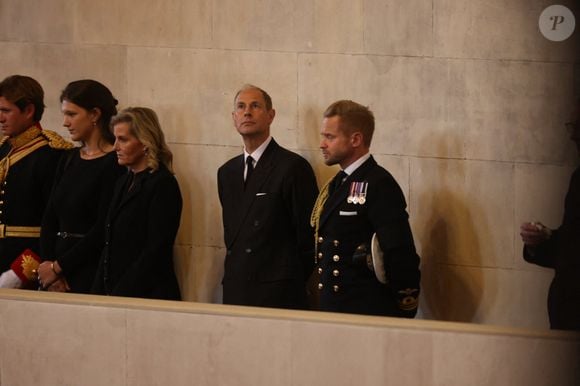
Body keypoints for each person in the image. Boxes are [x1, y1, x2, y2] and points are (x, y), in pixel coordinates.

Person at [311, 100, 421, 317]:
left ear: (356, 139)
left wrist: (404, 304)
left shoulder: (379, 183)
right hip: (335, 308)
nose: (322, 144)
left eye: (330, 137)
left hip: (365, 310)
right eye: (323, 136)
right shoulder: (338, 183)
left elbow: (398, 251)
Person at [217, 84, 318, 309]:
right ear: (234, 117)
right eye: (241, 107)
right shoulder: (226, 172)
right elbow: (232, 233)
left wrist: (286, 281)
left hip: (278, 293)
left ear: (271, 115)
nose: (247, 112)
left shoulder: (293, 167)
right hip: (236, 289)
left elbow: (308, 237)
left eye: (255, 106)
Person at [36, 80, 125, 293]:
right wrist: (49, 267)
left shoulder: (115, 163)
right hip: (54, 271)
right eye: (64, 114)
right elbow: (49, 217)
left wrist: (59, 267)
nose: (65, 122)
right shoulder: (68, 158)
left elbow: (103, 226)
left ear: (94, 114)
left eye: (72, 114)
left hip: (89, 268)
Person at [92, 107, 182, 300]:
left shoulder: (162, 184)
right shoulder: (122, 182)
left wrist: (120, 294)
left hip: (147, 296)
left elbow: (156, 250)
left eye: (123, 139)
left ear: (145, 143)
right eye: (115, 139)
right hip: (114, 293)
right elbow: (108, 242)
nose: (115, 146)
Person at [0, 75, 72, 288]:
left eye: (6, 111)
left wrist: (19, 272)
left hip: (26, 263)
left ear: (29, 110)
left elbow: (54, 224)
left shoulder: (51, 155)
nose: (0, 118)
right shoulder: (4, 149)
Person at [519, 101, 580, 330]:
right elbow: (572, 244)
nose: (573, 137)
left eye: (578, 127)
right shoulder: (577, 180)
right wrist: (543, 239)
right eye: (572, 127)